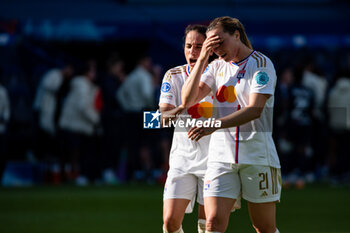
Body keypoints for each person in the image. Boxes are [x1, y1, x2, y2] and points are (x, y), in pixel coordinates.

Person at [181, 16, 281, 233]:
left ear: (236, 35)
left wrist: (214, 124)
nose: (216, 50)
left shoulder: (261, 64)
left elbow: (255, 110)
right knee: (212, 223)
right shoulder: (216, 66)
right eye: (211, 45)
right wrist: (202, 59)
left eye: (219, 43)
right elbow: (188, 100)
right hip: (220, 158)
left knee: (263, 228)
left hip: (257, 156)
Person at [159, 24, 211, 233]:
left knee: (207, 225)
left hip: (213, 159)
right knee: (171, 222)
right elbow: (162, 118)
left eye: (199, 46)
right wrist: (182, 107)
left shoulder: (220, 74)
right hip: (182, 158)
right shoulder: (173, 75)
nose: (192, 51)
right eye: (189, 46)